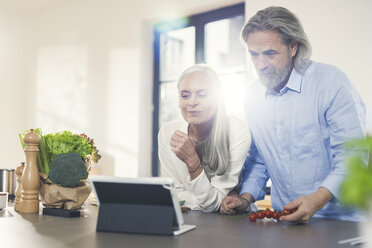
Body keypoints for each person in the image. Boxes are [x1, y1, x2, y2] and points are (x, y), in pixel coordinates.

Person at [220, 6, 366, 222]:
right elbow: (260, 158)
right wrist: (245, 198)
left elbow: (353, 157)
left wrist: (317, 199)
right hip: (286, 220)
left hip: (342, 221)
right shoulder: (252, 96)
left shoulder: (331, 83)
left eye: (270, 54)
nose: (261, 65)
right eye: (254, 54)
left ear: (293, 47)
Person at [158, 64, 254, 212]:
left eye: (202, 95)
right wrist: (211, 199)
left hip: (234, 222)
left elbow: (211, 205)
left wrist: (192, 160)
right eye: (185, 95)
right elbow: (175, 195)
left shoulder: (236, 131)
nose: (192, 102)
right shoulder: (167, 133)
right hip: (189, 220)